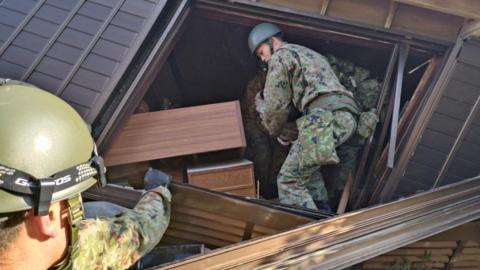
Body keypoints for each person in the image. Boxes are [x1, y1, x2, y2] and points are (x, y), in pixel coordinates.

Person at [0, 79, 171, 270]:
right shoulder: (82, 258)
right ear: (46, 217)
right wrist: (158, 191)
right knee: (102, 211)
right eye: (72, 203)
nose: (78, 214)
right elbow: (140, 231)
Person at [248, 23, 378, 210]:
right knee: (308, 172)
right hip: (347, 117)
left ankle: (311, 232)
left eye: (261, 52)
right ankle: (321, 211)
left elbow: (275, 107)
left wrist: (272, 128)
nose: (263, 59)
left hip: (326, 118)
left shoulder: (281, 57)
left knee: (288, 179)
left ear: (271, 41)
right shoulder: (308, 53)